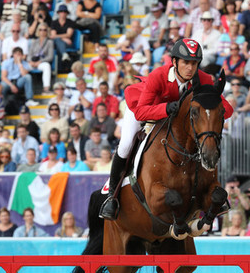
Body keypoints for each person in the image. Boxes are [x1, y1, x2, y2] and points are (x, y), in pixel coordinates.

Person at [100, 38, 234, 220]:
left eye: (194, 63)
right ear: (175, 62)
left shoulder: (203, 79)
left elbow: (228, 110)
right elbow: (141, 111)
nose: (190, 68)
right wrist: (165, 108)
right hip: (144, 109)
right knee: (125, 145)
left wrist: (214, 107)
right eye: (186, 62)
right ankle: (112, 197)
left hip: (175, 119)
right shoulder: (158, 75)